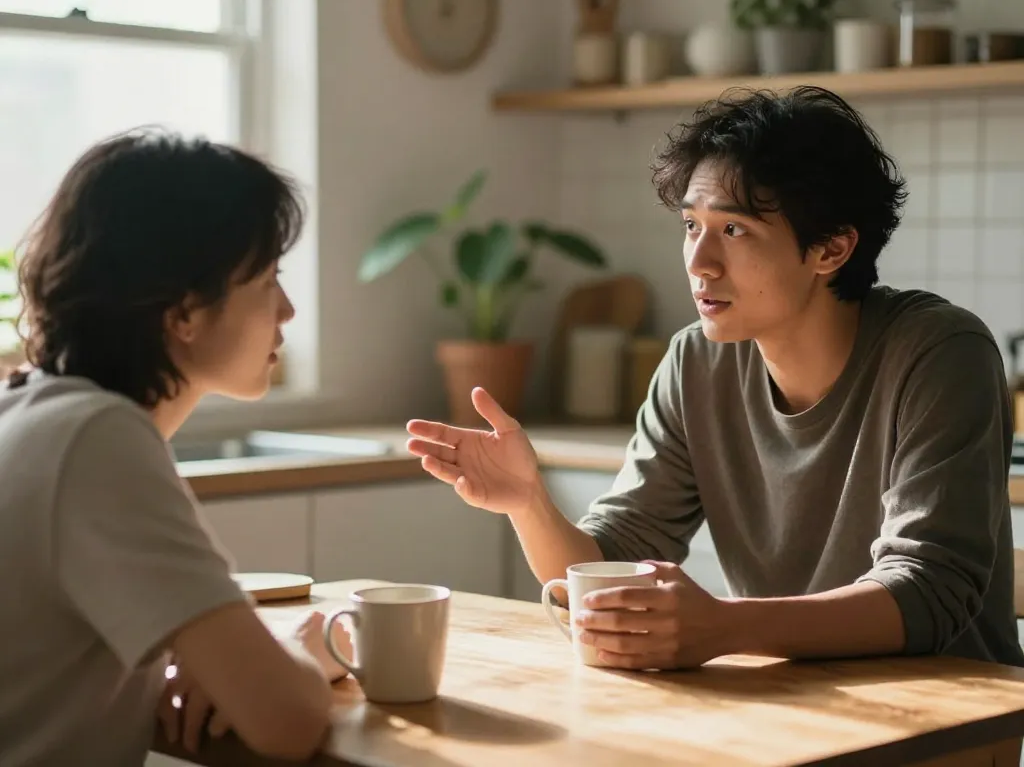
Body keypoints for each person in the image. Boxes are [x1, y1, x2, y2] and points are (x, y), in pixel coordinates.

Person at [408, 86, 1024, 672]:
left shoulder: (939, 352)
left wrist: (726, 627)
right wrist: (530, 503)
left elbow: (928, 591)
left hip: (950, 723)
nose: (699, 263)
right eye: (690, 226)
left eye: (733, 230)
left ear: (830, 250)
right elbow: (611, 561)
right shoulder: (695, 362)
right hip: (783, 707)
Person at [0, 129, 352, 766]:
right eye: (269, 280)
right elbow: (287, 721)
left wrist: (215, 656)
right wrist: (310, 648)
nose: (290, 310)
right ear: (184, 311)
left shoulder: (29, 412)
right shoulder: (95, 442)